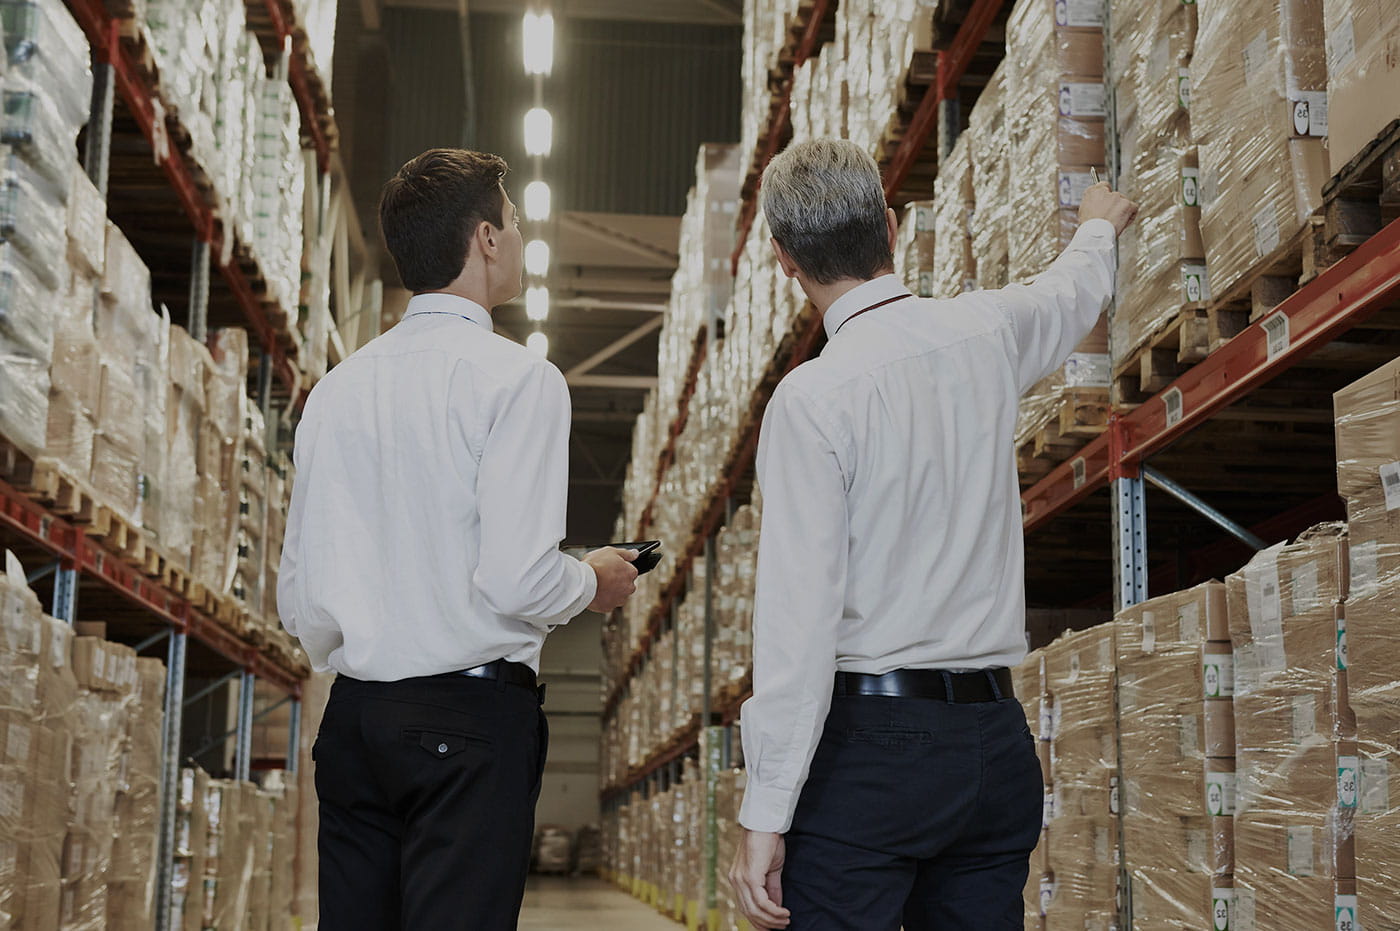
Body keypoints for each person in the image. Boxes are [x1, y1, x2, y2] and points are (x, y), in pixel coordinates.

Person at [727, 139, 1137, 930]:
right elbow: (1067, 294)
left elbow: (797, 624)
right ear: (887, 225)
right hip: (991, 741)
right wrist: (1096, 227)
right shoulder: (984, 333)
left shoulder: (812, 400)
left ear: (784, 260)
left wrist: (765, 812)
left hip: (870, 755)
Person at [278, 148, 640, 930]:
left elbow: (299, 592)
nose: (513, 233)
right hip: (467, 724)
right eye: (510, 219)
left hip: (353, 722)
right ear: (484, 237)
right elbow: (516, 578)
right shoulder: (518, 379)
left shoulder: (335, 391)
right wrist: (593, 580)